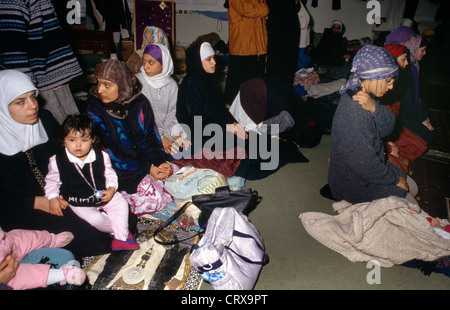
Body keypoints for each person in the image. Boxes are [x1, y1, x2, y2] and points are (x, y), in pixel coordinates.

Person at [0, 70, 118, 258]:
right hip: (25, 210)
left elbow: (65, 157)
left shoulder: (44, 120)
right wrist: (36, 203)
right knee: (96, 241)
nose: (32, 107)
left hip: (62, 192)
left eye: (33, 97)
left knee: (120, 216)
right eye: (20, 102)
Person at [327, 45, 418, 204]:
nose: (391, 86)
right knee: (409, 199)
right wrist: (393, 180)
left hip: (364, 172)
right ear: (372, 76)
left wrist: (375, 109)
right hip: (352, 185)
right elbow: (364, 162)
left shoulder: (365, 95)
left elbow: (387, 129)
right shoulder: (354, 112)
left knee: (413, 187)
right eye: (388, 80)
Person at [86, 59, 175, 216]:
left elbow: (151, 137)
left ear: (122, 84)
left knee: (175, 176)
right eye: (98, 83)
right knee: (154, 200)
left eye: (107, 85)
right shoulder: (94, 109)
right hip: (116, 171)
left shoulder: (139, 102)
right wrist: (147, 168)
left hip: (144, 162)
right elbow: (108, 153)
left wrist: (159, 162)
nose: (100, 90)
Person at [44, 114, 139, 251]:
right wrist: (52, 197)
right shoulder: (57, 160)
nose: (78, 145)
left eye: (84, 140)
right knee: (96, 221)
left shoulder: (102, 155)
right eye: (72, 139)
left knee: (122, 205)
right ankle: (120, 233)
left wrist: (111, 189)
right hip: (79, 200)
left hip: (103, 193)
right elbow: (51, 181)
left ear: (93, 140)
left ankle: (121, 239)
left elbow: (110, 174)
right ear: (64, 141)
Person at [0, 0, 82, 124]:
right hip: (33, 83)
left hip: (49, 76)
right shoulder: (12, 3)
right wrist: (27, 86)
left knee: (72, 130)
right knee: (55, 131)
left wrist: (60, 72)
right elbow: (12, 49)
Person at [384, 27, 435, 162]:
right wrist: (422, 119)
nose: (424, 53)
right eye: (422, 49)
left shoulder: (412, 66)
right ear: (412, 47)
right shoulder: (403, 69)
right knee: (427, 135)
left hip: (403, 110)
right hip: (400, 113)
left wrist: (423, 116)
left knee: (430, 125)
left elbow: (414, 97)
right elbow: (406, 103)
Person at [136, 43, 191, 158]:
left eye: (151, 62)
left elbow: (172, 115)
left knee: (187, 150)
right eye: (144, 61)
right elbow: (139, 117)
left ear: (163, 64)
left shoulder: (171, 85)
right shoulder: (137, 82)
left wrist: (176, 135)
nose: (145, 66)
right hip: (143, 132)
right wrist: (160, 136)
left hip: (165, 131)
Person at [0, 227, 86, 290]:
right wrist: (59, 275)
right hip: (11, 282)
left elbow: (16, 240)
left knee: (66, 257)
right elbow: (19, 277)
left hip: (14, 262)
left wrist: (49, 239)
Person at [224, 0, 269, 105]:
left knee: (255, 85)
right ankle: (231, 110)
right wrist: (262, 8)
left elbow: (265, 14)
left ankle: (252, 109)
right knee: (236, 85)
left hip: (258, 47)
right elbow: (247, 9)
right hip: (242, 47)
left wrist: (261, 9)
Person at [266, 0, 300, 85]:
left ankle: (284, 92)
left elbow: (297, 6)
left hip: (289, 30)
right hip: (276, 31)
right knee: (276, 64)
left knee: (288, 65)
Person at [297, 1, 312, 69]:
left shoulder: (299, 3)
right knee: (301, 60)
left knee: (303, 60)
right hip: (300, 39)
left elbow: (305, 21)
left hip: (303, 40)